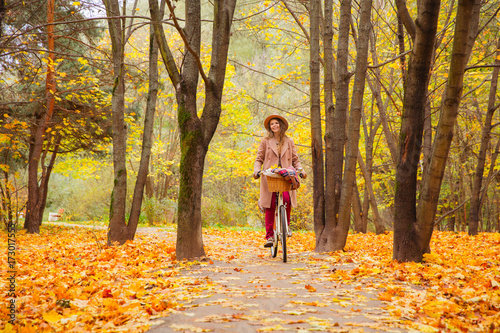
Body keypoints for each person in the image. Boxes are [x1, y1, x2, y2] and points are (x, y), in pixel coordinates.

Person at [253, 114, 306, 248]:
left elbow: (295, 159)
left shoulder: (289, 141)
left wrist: (300, 169)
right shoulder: (265, 141)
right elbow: (259, 158)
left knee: (287, 199)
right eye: (272, 124)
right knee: (270, 205)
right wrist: (256, 170)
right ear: (270, 127)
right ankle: (270, 236)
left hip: (286, 174)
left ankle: (286, 226)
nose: (274, 126)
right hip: (270, 175)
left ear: (281, 125)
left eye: (276, 123)